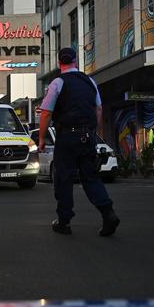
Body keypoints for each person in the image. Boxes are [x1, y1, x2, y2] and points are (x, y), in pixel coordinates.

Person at [38, 47, 120, 236]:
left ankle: (64, 221)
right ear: (76, 61)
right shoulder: (89, 81)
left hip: (67, 136)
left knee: (64, 178)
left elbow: (46, 112)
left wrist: (42, 138)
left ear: (59, 63)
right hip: (88, 136)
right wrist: (93, 132)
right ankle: (108, 213)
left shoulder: (58, 82)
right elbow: (98, 109)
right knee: (91, 177)